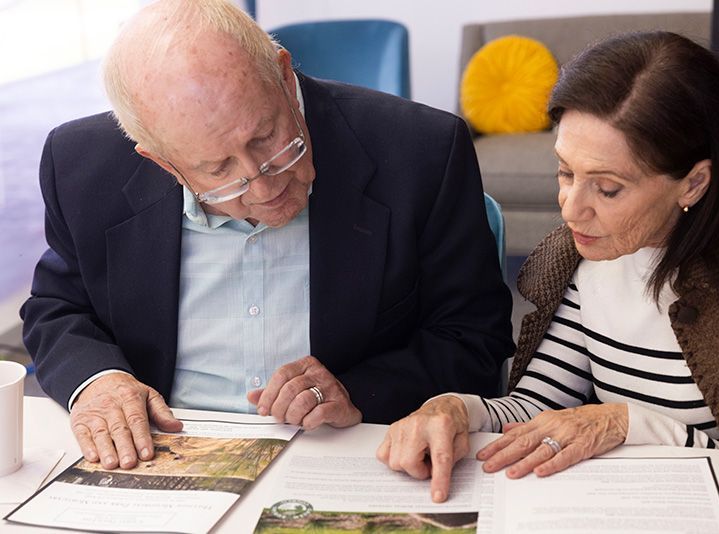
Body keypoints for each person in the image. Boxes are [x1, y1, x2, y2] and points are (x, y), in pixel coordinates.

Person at [21, 0, 514, 471]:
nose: (264, 185)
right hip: (160, 453)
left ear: (282, 73)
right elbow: (58, 308)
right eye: (218, 170)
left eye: (267, 138)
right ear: (161, 162)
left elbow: (473, 338)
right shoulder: (82, 166)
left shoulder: (420, 150)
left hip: (349, 452)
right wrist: (99, 383)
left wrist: (357, 391)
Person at [378, 30, 719, 502]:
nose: (571, 209)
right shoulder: (580, 255)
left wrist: (626, 423)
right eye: (565, 171)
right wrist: (456, 408)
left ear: (694, 183)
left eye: (608, 188)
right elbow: (538, 406)